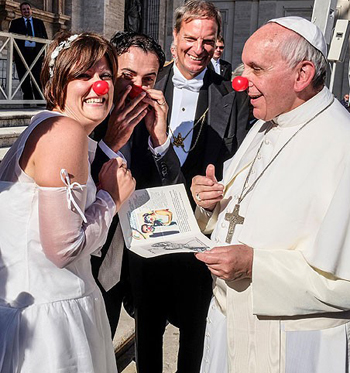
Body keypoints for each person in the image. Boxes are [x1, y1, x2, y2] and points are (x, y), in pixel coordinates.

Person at [191, 16, 350, 373]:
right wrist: (209, 206)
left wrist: (254, 265)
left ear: (302, 75)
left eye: (256, 69)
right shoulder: (266, 124)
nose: (240, 80)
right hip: (226, 323)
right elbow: (234, 213)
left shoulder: (343, 145)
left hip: (291, 345)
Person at [116, 1, 249, 372]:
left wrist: (217, 188)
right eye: (190, 38)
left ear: (217, 41)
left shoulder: (231, 95)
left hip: (201, 234)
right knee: (148, 333)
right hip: (147, 230)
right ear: (174, 37)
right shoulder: (146, 82)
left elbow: (238, 159)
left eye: (209, 40)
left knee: (195, 334)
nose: (199, 48)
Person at [0, 31, 135, 372]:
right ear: (57, 82)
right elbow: (63, 248)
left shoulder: (44, 127)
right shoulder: (64, 131)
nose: (99, 85)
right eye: (83, 76)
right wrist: (111, 197)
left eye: (105, 76)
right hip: (51, 321)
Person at [90, 30, 167, 335]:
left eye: (148, 80)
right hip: (96, 260)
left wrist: (160, 142)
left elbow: (169, 190)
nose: (138, 88)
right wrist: (109, 141)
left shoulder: (153, 119)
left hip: (139, 258)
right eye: (128, 75)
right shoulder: (88, 114)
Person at [9, 2, 48, 100]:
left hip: (36, 53)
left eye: (27, 9)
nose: (26, 11)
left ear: (31, 10)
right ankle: (27, 101)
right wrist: (13, 54)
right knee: (24, 78)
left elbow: (45, 38)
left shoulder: (39, 22)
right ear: (21, 12)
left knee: (37, 77)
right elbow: (11, 39)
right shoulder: (15, 23)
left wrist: (44, 53)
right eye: (24, 9)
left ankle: (39, 100)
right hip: (21, 53)